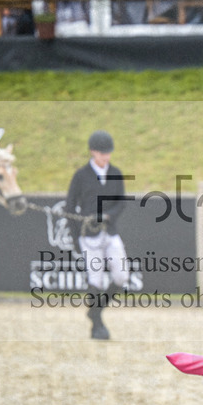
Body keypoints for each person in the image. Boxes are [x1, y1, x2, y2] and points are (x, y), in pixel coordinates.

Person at [65, 131, 139, 340]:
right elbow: (70, 207)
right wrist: (76, 237)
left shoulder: (115, 173)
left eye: (108, 153)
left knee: (121, 276)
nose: (106, 157)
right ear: (92, 152)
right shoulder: (81, 176)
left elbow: (121, 202)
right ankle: (97, 325)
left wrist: (107, 216)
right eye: (102, 153)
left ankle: (95, 311)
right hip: (88, 236)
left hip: (110, 231)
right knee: (95, 280)